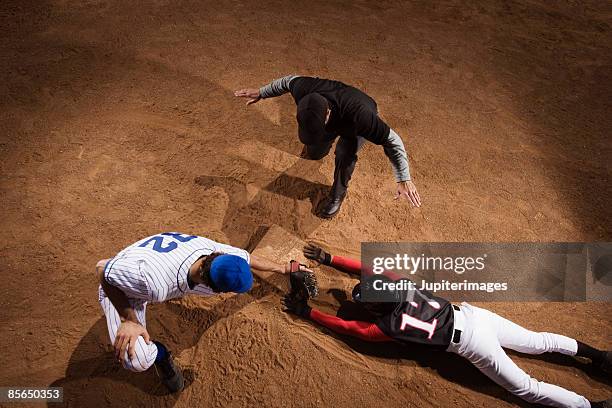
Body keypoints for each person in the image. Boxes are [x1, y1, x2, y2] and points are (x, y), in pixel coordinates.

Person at [281, 244, 611, 408]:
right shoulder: (402, 284)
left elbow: (352, 329)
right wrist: (329, 259)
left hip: (472, 345)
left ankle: (589, 407)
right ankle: (600, 356)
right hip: (477, 316)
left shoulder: (389, 327)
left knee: (526, 388)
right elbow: (363, 269)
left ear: (373, 308)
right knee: (537, 342)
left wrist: (310, 314)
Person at [95, 232, 309, 393]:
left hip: (155, 259)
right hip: (122, 285)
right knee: (137, 360)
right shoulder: (154, 284)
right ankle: (161, 357)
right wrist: (129, 319)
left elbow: (246, 259)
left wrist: (283, 268)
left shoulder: (214, 253)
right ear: (216, 288)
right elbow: (103, 269)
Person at [234, 75, 421, 218]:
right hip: (333, 118)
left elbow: (393, 141)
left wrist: (403, 178)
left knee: (344, 154)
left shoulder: (361, 116)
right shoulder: (303, 89)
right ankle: (321, 144)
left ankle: (337, 195)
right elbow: (287, 80)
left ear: (327, 115)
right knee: (315, 151)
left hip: (352, 125)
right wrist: (262, 92)